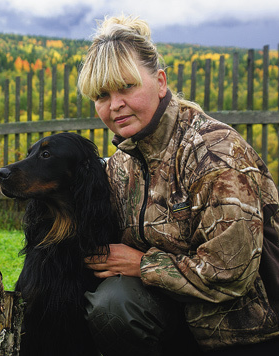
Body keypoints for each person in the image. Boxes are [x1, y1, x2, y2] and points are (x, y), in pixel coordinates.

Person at [77, 14, 279, 356]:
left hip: (243, 330)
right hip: (176, 317)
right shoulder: (124, 160)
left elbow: (232, 273)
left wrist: (142, 264)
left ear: (160, 81)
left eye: (126, 86)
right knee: (114, 304)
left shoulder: (213, 153)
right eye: (101, 95)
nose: (114, 106)